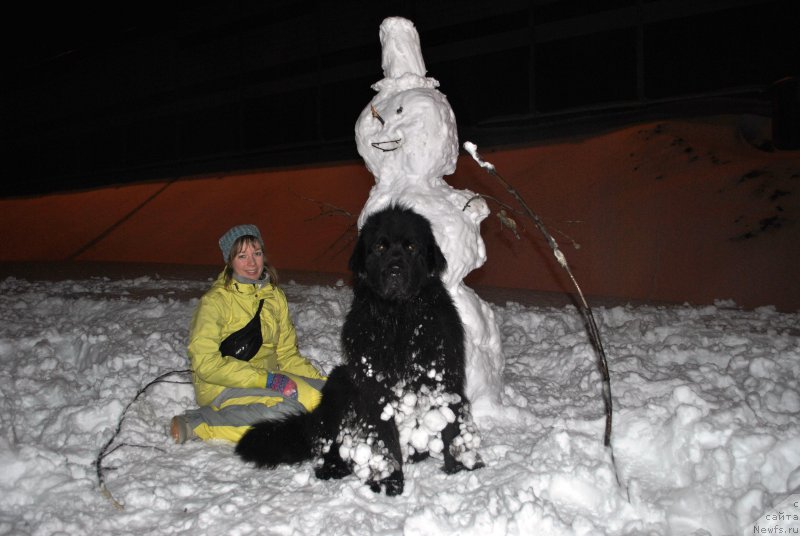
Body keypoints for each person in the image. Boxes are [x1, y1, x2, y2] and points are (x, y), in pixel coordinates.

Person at [170, 224, 326, 443]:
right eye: (242, 256)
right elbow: (206, 364)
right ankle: (199, 422)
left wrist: (322, 383)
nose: (252, 263)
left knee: (329, 398)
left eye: (257, 253)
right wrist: (266, 379)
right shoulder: (215, 302)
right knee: (288, 415)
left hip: (268, 381)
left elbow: (287, 355)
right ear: (230, 261)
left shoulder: (274, 297)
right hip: (222, 385)